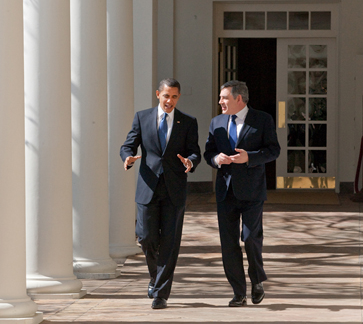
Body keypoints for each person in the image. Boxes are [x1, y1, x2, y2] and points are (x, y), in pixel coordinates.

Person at [120, 78, 201, 309]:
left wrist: (190, 162)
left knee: (170, 243)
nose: (170, 101)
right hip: (148, 188)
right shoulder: (142, 117)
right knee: (146, 237)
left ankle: (161, 294)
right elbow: (128, 145)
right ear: (158, 94)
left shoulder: (188, 122)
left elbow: (195, 152)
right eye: (166, 96)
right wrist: (127, 157)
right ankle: (155, 278)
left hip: (174, 190)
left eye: (174, 96)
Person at [204, 80, 280, 307]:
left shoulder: (262, 119)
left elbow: (273, 150)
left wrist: (251, 157)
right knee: (228, 244)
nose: (220, 102)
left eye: (224, 97)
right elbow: (209, 151)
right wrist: (217, 159)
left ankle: (257, 280)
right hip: (225, 192)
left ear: (239, 99)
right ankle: (239, 292)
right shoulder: (216, 122)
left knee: (249, 239)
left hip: (252, 191)